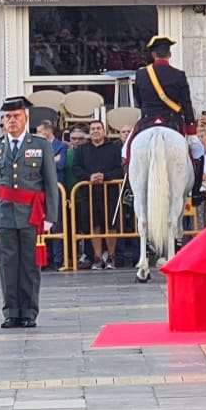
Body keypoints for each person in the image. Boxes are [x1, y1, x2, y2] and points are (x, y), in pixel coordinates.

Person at [0, 96, 58, 329]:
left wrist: (50, 216)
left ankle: (29, 312)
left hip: (31, 215)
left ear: (26, 118)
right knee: (6, 266)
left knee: (29, 266)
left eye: (16, 116)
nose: (11, 121)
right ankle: (11, 312)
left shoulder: (40, 145)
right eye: (7, 117)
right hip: (4, 216)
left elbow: (50, 183)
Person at [72, 120, 124, 270]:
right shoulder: (81, 150)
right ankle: (97, 257)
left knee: (111, 226)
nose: (95, 131)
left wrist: (105, 176)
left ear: (104, 131)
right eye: (93, 129)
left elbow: (120, 169)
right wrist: (89, 177)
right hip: (89, 194)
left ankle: (111, 257)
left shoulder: (114, 149)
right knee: (94, 226)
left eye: (98, 128)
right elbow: (76, 169)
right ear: (89, 133)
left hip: (110, 193)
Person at [133, 35, 197, 138]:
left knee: (127, 150)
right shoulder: (179, 75)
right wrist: (191, 129)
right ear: (170, 54)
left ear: (153, 54)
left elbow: (139, 100)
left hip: (147, 120)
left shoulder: (141, 74)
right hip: (172, 122)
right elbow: (186, 104)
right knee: (192, 152)